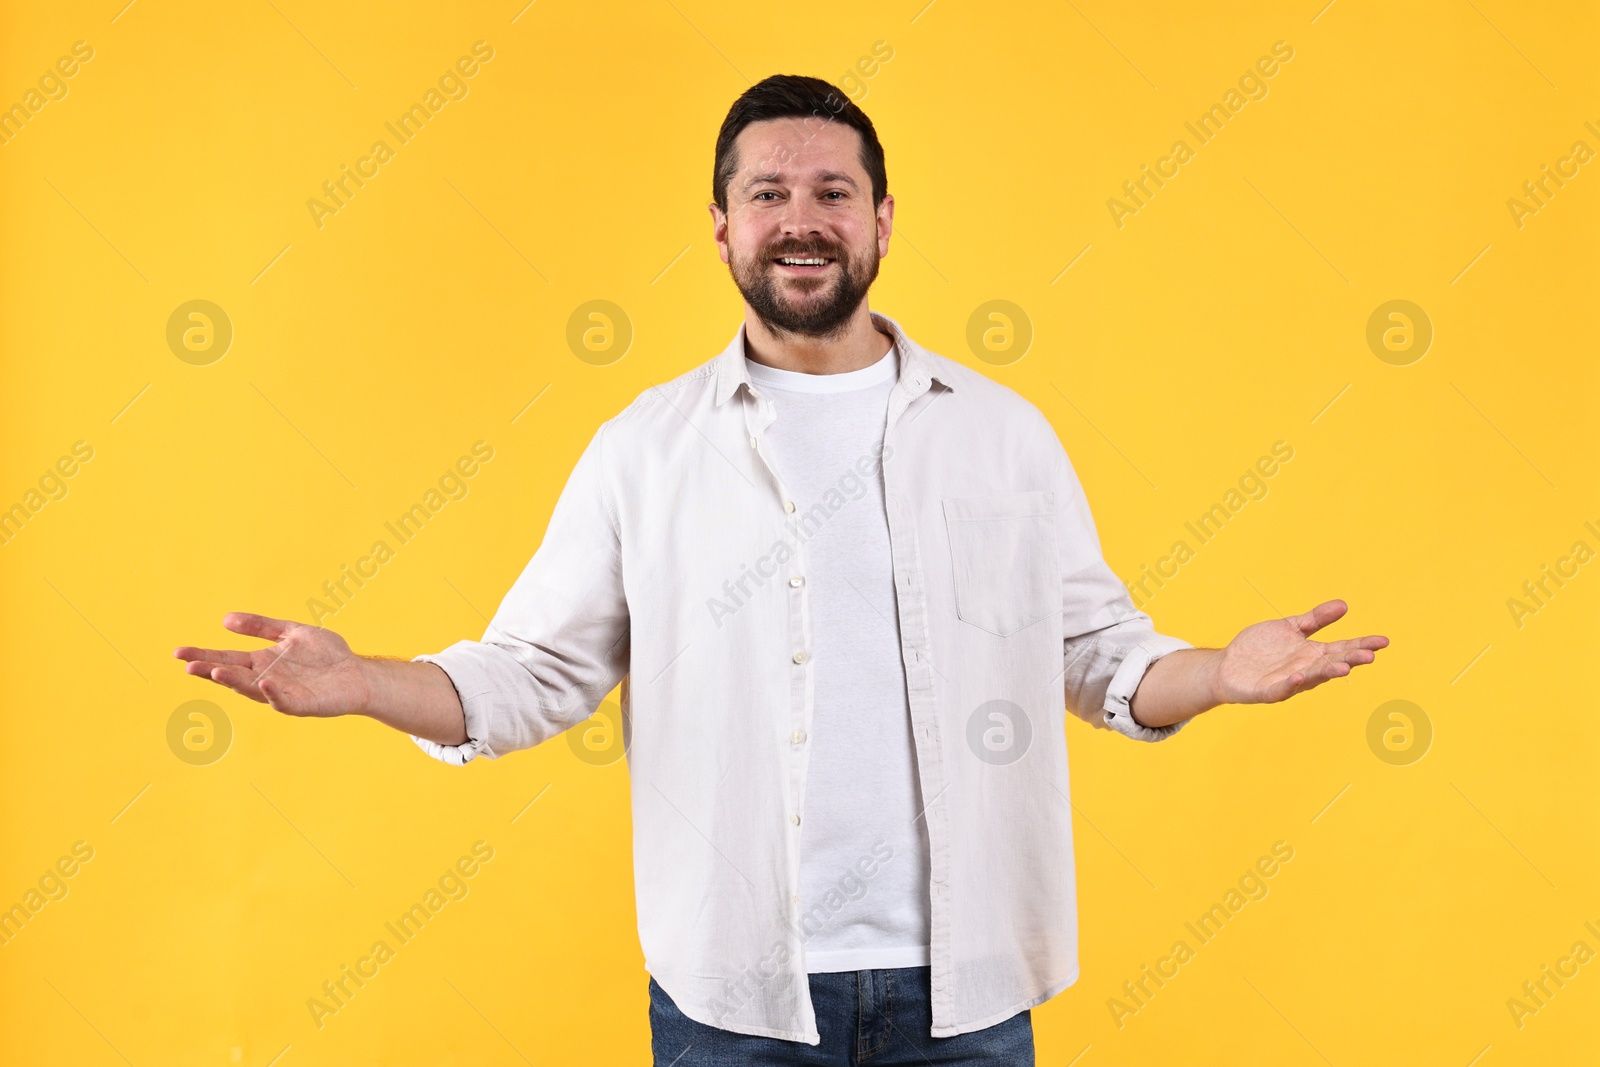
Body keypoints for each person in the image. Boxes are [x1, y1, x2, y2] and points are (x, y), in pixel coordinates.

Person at [174, 74, 1388, 1066]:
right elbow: (532, 672)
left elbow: (1097, 657)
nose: (800, 217)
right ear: (721, 227)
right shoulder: (644, 449)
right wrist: (363, 682)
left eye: (831, 191)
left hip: (964, 992)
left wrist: (1218, 671)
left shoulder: (997, 433)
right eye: (767, 192)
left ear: (881, 219)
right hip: (734, 998)